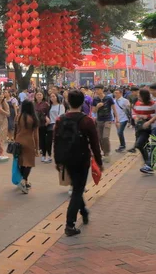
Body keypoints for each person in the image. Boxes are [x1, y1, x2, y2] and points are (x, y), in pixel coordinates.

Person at [53, 89, 103, 236]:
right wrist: (99, 162)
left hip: (66, 159)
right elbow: (95, 143)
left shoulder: (60, 119)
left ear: (67, 102)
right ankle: (70, 224)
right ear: (83, 102)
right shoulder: (87, 120)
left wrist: (58, 161)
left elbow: (56, 141)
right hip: (82, 159)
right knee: (77, 190)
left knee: (77, 186)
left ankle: (83, 211)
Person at [14, 100, 40, 194]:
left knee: (21, 162)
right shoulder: (33, 118)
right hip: (29, 141)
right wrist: (37, 148)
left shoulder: (18, 116)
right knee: (29, 163)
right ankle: (24, 181)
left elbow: (15, 129)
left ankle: (24, 181)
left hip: (19, 140)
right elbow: (36, 135)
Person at [129, 88, 156, 173]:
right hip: (142, 128)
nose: (138, 96)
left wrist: (147, 117)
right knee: (139, 144)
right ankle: (147, 162)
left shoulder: (152, 104)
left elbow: (154, 114)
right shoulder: (137, 103)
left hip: (152, 127)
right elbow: (133, 112)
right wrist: (135, 117)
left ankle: (149, 164)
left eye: (139, 95)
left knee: (152, 145)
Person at [92, 84, 119, 163]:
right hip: (99, 120)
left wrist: (117, 120)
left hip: (108, 119)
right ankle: (104, 152)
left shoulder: (108, 98)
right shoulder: (95, 99)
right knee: (100, 138)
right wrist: (97, 106)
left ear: (102, 89)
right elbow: (93, 111)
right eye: (95, 89)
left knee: (105, 137)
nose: (96, 91)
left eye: (98, 89)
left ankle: (107, 154)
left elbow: (114, 109)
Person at [44, 93, 65, 164]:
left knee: (58, 141)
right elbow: (46, 114)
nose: (52, 98)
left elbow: (61, 116)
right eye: (51, 97)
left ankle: (60, 156)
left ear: (57, 97)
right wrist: (47, 118)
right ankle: (49, 156)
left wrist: (56, 123)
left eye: (54, 96)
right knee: (48, 141)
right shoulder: (50, 106)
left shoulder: (61, 106)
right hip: (50, 125)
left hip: (58, 125)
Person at [113, 88, 131, 153]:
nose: (115, 94)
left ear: (121, 93)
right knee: (119, 133)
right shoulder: (114, 101)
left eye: (117, 93)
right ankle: (122, 145)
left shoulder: (125, 101)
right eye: (115, 93)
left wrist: (130, 120)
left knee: (120, 132)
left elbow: (129, 110)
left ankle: (122, 145)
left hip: (124, 118)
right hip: (117, 119)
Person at [34, 92, 49, 163]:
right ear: (35, 96)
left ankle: (43, 153)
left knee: (42, 138)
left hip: (43, 123)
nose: (39, 96)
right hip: (34, 124)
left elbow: (48, 113)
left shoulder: (45, 104)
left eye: (40, 95)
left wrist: (47, 120)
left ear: (43, 96)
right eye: (37, 95)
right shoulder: (33, 104)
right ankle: (36, 150)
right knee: (35, 138)